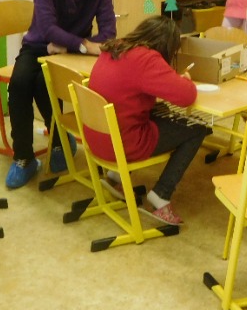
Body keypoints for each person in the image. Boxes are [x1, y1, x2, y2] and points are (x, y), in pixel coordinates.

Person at [5, 0, 116, 189]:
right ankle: (23, 157)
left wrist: (74, 47)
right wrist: (83, 44)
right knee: (19, 84)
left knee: (46, 83)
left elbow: (109, 34)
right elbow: (47, 28)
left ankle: (59, 143)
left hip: (72, 51)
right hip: (38, 45)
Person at [86, 16, 211, 225]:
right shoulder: (147, 59)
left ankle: (115, 177)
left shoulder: (115, 47)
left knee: (158, 110)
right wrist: (185, 81)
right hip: (121, 145)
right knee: (197, 128)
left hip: (97, 137)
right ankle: (161, 195)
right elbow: (187, 96)